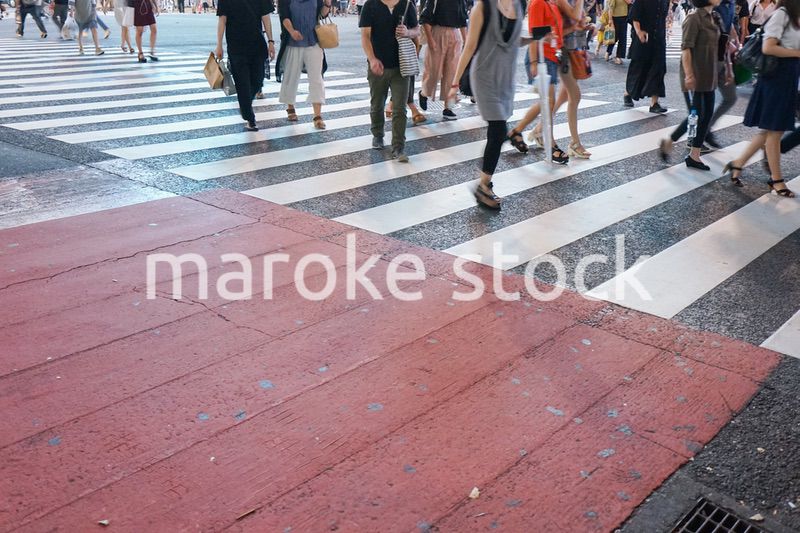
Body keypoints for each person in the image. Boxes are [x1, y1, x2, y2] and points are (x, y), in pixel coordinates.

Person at [447, 0, 525, 208]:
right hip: (484, 77)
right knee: (497, 129)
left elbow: (514, 39)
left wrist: (537, 37)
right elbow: (469, 46)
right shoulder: (483, 7)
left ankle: (485, 183)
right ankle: (483, 186)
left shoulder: (520, 5)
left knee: (499, 129)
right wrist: (454, 84)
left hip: (505, 78)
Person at [724, 0, 799, 196]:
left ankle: (738, 163)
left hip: (789, 76)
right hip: (777, 76)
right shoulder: (782, 14)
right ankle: (777, 180)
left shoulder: (794, 17)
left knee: (770, 130)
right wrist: (797, 53)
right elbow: (768, 47)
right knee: (775, 130)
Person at [509, 0, 577, 165]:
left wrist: (574, 28)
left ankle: (516, 131)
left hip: (552, 56)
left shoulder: (550, 3)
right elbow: (535, 35)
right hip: (541, 58)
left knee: (546, 102)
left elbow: (555, 32)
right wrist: (533, 62)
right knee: (548, 102)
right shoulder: (538, 3)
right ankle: (550, 145)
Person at [658, 0, 721, 170]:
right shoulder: (694, 18)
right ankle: (671, 142)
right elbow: (686, 48)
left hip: (710, 73)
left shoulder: (714, 17)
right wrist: (689, 75)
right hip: (695, 73)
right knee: (697, 114)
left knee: (706, 115)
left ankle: (694, 155)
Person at [360, 0, 421, 162]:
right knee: (377, 104)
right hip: (378, 65)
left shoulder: (407, 4)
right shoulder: (370, 5)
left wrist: (408, 32)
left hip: (401, 65)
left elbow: (417, 30)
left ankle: (398, 147)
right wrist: (372, 59)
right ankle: (378, 134)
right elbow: (365, 36)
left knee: (400, 108)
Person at [216, 0, 276, 132]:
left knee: (258, 80)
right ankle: (250, 118)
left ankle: (245, 104)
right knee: (242, 83)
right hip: (236, 46)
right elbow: (222, 19)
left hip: (257, 44)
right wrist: (219, 44)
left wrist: (271, 41)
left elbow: (265, 16)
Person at [277, 0, 331, 130]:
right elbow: (284, 16)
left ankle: (317, 116)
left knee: (317, 79)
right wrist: (292, 31)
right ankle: (290, 106)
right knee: (291, 76)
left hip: (313, 41)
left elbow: (322, 15)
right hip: (292, 42)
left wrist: (328, 4)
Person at [418, 0, 468, 120]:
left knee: (452, 72)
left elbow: (463, 21)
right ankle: (424, 93)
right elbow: (425, 19)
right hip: (437, 33)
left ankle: (448, 107)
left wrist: (466, 41)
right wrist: (430, 40)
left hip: (455, 35)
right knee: (433, 71)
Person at [623, 0, 669, 113]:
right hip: (643, 38)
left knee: (658, 70)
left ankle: (654, 103)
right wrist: (639, 32)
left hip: (659, 39)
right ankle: (628, 93)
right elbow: (635, 16)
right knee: (638, 69)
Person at [704, 0, 737, 149]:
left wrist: (729, 65)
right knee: (704, 102)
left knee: (730, 97)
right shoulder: (713, 4)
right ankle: (695, 136)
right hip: (708, 59)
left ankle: (705, 129)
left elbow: (727, 29)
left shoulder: (731, 3)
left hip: (723, 58)